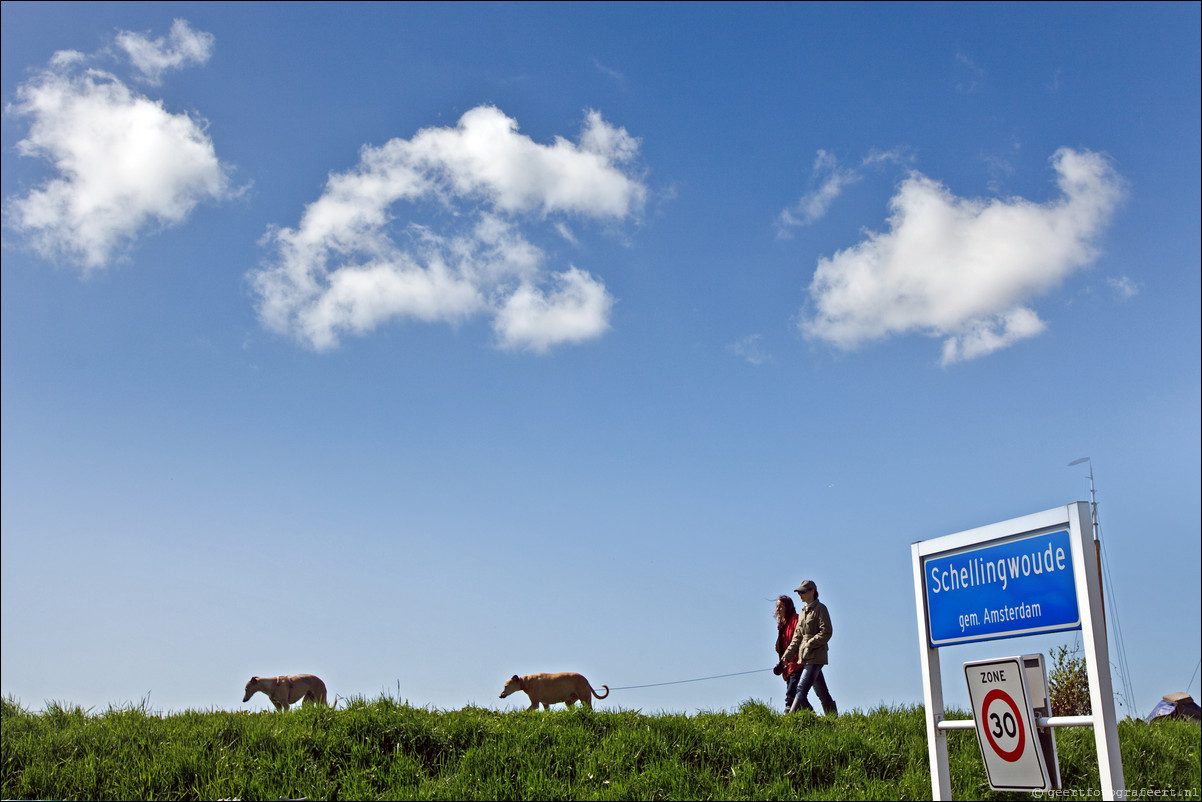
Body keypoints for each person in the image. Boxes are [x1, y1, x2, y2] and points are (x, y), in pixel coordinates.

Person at [781, 579, 838, 716]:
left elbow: (827, 632)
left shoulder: (821, 609)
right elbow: (797, 637)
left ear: (812, 591)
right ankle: (834, 720)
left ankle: (790, 719)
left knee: (801, 688)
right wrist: (787, 656)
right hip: (805, 657)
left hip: (816, 655)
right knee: (822, 692)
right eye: (799, 592)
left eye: (803, 592)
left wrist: (809, 643)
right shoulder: (802, 612)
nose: (800, 595)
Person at [773, 594, 802, 712]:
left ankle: (788, 712)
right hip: (788, 665)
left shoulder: (796, 620)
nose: (778, 609)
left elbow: (798, 640)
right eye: (777, 607)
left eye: (781, 607)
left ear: (787, 607)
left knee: (792, 691)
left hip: (798, 662)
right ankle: (810, 715)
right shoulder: (782, 625)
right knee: (799, 695)